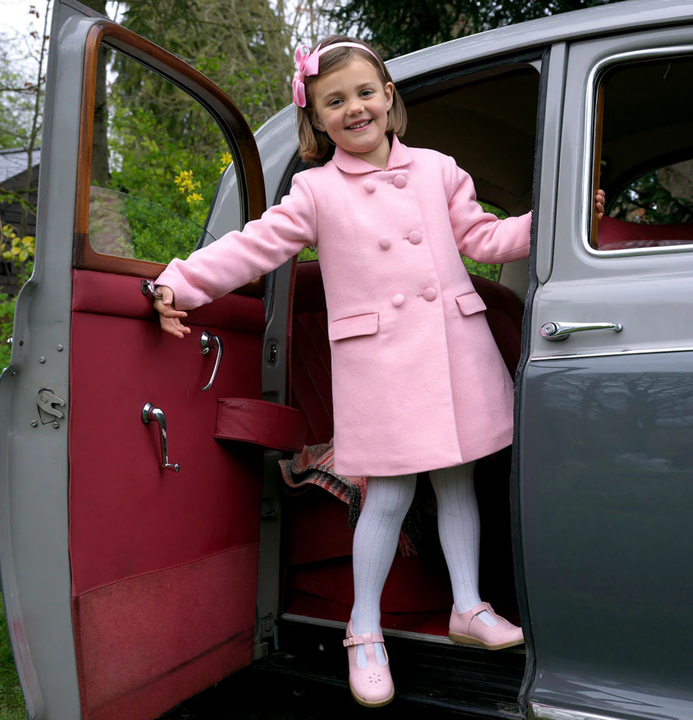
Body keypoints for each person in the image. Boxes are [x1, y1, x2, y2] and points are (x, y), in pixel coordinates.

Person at [153, 36, 606, 708]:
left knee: (458, 484)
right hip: (384, 366)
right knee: (388, 495)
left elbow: (483, 239)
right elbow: (251, 248)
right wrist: (178, 284)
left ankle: (467, 607)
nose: (354, 109)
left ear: (389, 97)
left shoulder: (437, 170)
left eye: (365, 93)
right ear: (316, 116)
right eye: (334, 101)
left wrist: (553, 222)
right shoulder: (314, 191)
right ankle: (363, 632)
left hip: (452, 350)